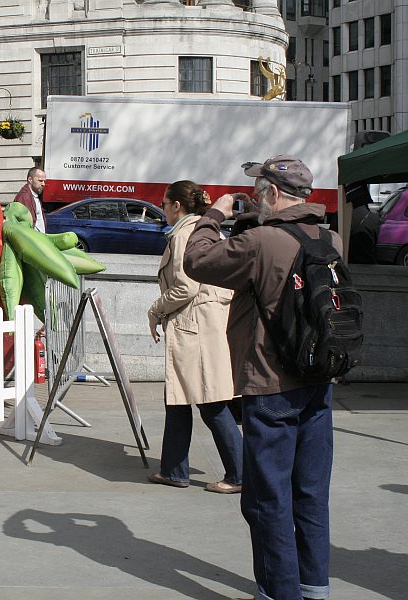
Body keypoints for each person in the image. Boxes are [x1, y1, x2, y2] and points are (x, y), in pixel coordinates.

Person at [183, 156, 337, 600]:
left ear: (271, 192)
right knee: (309, 493)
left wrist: (215, 215)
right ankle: (314, 588)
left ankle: (278, 591)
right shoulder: (331, 238)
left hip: (271, 384)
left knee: (266, 499)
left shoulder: (262, 240)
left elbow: (198, 261)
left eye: (259, 189)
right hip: (317, 381)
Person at [146, 180, 242, 494]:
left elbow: (186, 286)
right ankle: (173, 469)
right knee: (180, 397)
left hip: (195, 324)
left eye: (164, 203)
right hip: (206, 322)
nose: (162, 208)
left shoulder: (184, 233)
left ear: (177, 205)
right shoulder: (206, 230)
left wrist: (155, 310)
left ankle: (240, 473)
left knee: (209, 401)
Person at [13, 167, 47, 232]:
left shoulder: (34, 195)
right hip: (33, 239)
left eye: (44, 181)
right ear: (30, 179)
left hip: (38, 238)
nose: (43, 184)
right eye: (40, 181)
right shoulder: (24, 197)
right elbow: (25, 225)